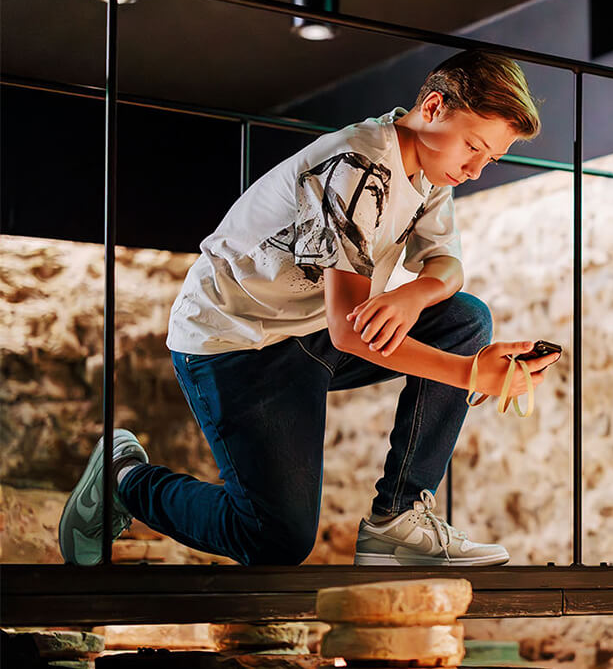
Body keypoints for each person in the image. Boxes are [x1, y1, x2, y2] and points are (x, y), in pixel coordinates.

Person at [58, 50, 560, 567]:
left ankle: (397, 518)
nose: (476, 170)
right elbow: (350, 333)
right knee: (276, 542)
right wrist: (472, 373)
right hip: (235, 345)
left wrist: (417, 293)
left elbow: (448, 268)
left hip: (310, 333)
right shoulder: (357, 165)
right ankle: (125, 480)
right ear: (433, 108)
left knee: (465, 319)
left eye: (490, 159)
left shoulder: (432, 167)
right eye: (474, 148)